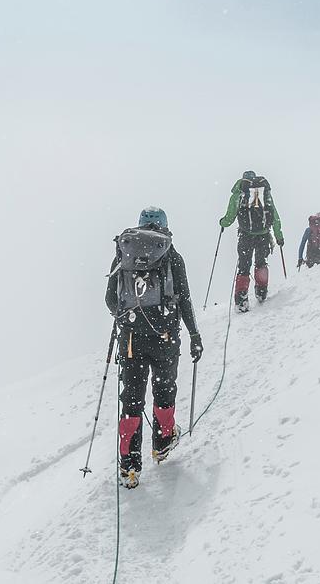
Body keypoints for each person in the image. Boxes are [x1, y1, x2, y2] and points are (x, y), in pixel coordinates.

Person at [105, 207, 203, 489]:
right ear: (165, 227)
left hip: (132, 342)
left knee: (132, 401)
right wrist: (194, 333)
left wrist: (126, 321)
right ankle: (161, 444)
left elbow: (111, 299)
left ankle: (129, 466)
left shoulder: (124, 252)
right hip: (165, 338)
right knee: (164, 392)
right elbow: (184, 299)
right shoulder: (171, 255)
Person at [219, 170, 285, 312]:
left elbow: (230, 217)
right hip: (264, 235)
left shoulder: (239, 193)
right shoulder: (264, 192)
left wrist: (222, 223)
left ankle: (241, 300)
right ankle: (261, 292)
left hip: (246, 236)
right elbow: (274, 215)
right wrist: (279, 236)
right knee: (261, 263)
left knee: (244, 266)